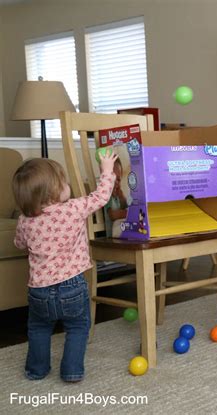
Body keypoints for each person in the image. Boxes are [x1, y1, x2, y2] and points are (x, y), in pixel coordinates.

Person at [12, 151, 117, 382]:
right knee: (78, 327)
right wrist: (107, 170)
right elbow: (101, 197)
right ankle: (71, 371)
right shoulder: (74, 208)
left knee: (39, 328)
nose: (68, 186)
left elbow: (19, 244)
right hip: (72, 285)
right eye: (64, 182)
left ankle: (36, 370)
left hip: (38, 289)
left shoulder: (24, 220)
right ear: (53, 191)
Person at [104, 156, 129, 237]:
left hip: (119, 230)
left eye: (118, 179)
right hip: (111, 234)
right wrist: (129, 213)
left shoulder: (117, 195)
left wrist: (121, 196)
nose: (116, 182)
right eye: (112, 178)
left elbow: (125, 206)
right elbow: (113, 215)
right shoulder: (106, 195)